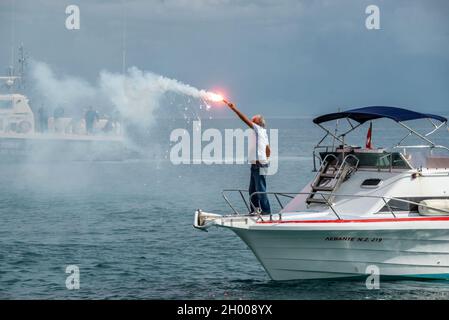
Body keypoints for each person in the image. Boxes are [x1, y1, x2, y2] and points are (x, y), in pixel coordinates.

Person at [226, 101, 271, 214]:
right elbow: (268, 149)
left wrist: (234, 108)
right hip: (256, 165)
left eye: (253, 120)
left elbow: (244, 119)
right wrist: (266, 160)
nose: (251, 122)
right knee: (252, 191)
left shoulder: (258, 129)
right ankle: (255, 211)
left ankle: (266, 212)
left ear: (258, 123)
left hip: (259, 165)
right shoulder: (262, 133)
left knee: (260, 190)